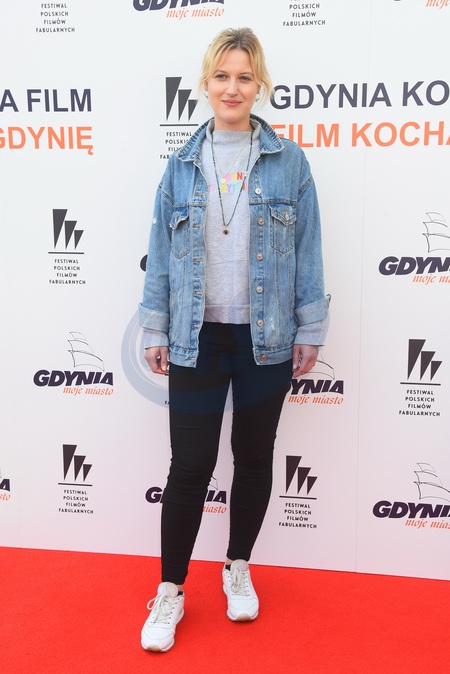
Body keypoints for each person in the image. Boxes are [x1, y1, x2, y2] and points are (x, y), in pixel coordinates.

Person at [138, 27, 330, 652]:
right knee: (190, 464)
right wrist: (156, 325)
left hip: (265, 340)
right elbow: (161, 254)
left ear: (260, 85)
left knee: (253, 457)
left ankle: (237, 565)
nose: (233, 87)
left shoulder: (290, 161)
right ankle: (170, 590)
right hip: (196, 339)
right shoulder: (180, 165)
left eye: (245, 77)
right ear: (205, 83)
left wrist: (310, 326)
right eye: (222, 76)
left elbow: (308, 250)